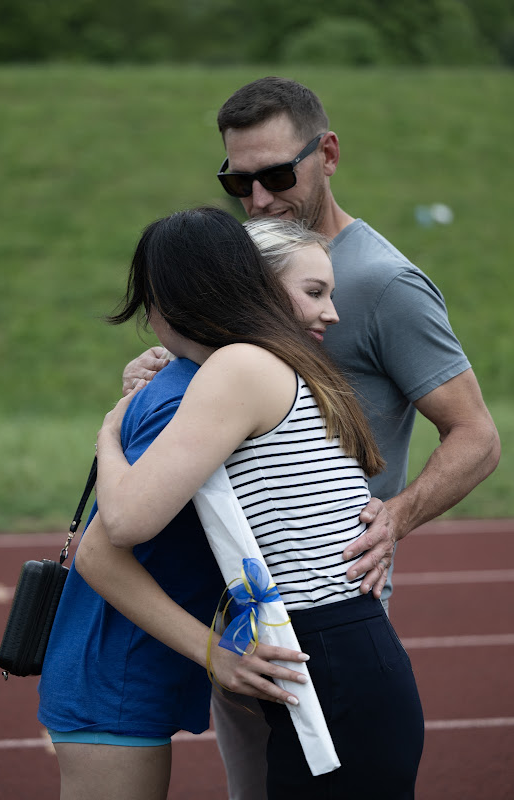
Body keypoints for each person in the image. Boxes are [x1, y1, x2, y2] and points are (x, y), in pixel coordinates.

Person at [121, 76, 500, 800]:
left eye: (275, 175)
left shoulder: (384, 282)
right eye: (238, 181)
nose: (258, 199)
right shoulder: (245, 264)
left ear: (327, 153)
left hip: (329, 608)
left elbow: (476, 435)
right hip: (236, 607)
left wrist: (396, 517)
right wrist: (159, 363)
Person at [73, 206, 423, 799]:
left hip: (329, 656)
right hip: (341, 651)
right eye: (313, 291)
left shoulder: (241, 367)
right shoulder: (286, 365)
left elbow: (127, 522)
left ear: (167, 299)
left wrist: (111, 433)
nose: (330, 311)